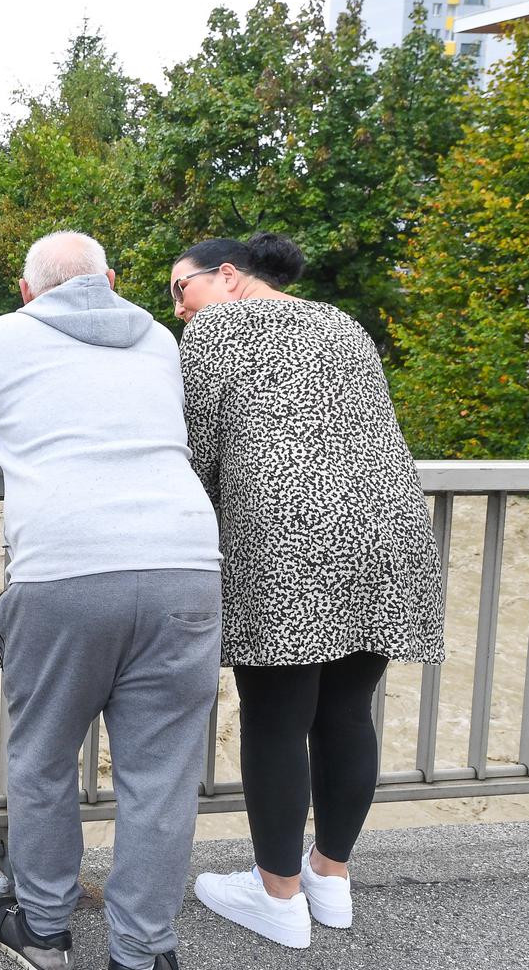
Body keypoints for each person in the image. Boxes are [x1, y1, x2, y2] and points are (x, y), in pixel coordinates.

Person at [170, 233, 444, 949]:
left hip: (290, 541)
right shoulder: (342, 321)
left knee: (274, 718)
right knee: (348, 712)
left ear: (226, 276)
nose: (177, 309)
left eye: (181, 289)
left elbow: (194, 453)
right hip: (387, 531)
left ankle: (277, 896)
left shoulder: (216, 328)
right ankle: (329, 878)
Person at [0, 231, 223, 970]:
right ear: (111, 279)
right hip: (185, 568)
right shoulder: (158, 339)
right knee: (161, 777)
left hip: (64, 570)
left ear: (24, 290)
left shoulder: (3, 336)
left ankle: (44, 932)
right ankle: (142, 953)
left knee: (41, 760)